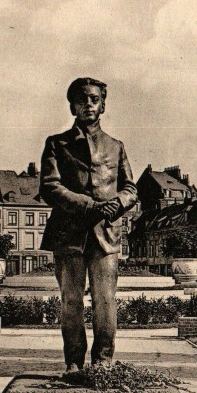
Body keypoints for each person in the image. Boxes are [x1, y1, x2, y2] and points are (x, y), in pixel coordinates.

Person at [39, 77, 137, 371]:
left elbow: (131, 188)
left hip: (105, 235)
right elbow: (50, 187)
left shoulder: (115, 146)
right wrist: (88, 205)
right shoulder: (57, 144)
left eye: (94, 100)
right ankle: (73, 362)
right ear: (72, 106)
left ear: (103, 105)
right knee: (71, 301)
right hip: (68, 234)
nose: (88, 105)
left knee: (105, 300)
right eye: (82, 100)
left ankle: (104, 361)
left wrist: (116, 205)